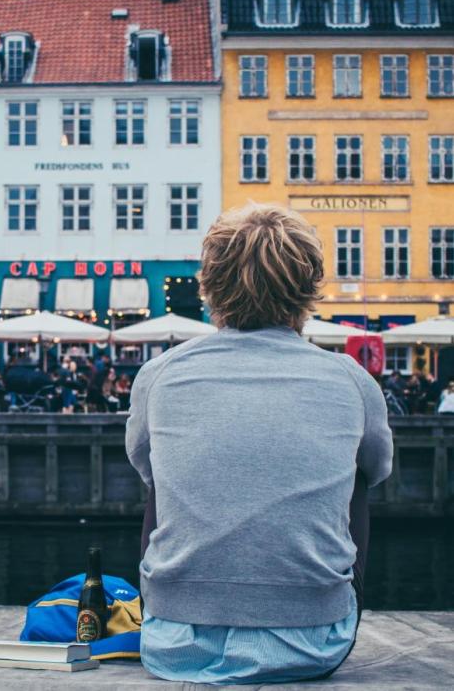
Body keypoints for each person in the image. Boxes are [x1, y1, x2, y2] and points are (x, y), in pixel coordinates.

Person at [127, 203, 393, 685]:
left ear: (209, 285)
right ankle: (330, 604)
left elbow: (149, 474)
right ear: (310, 286)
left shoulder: (160, 375)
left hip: (173, 640)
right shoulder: (351, 380)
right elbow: (375, 472)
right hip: (313, 644)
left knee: (162, 483)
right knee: (353, 475)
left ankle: (173, 596)